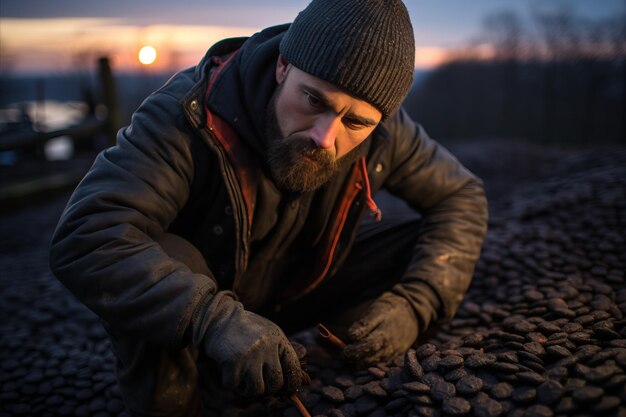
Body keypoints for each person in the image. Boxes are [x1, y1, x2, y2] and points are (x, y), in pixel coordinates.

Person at [49, 0, 488, 415]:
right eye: (314, 100)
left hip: (296, 290)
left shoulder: (387, 134)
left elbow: (461, 196)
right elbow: (87, 234)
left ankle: (345, 357)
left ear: (378, 121)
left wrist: (416, 303)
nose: (325, 137)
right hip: (201, 306)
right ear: (282, 65)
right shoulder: (188, 114)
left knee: (417, 246)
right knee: (162, 254)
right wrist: (213, 319)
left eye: (355, 122)